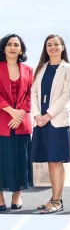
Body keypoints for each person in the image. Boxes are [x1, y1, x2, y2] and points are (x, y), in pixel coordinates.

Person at [30, 35, 70, 214]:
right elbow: (32, 93)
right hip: (41, 121)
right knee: (50, 161)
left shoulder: (68, 69)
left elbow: (66, 95)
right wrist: (37, 115)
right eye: (49, 45)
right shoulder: (41, 68)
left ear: (63, 47)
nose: (53, 47)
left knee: (56, 161)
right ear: (45, 48)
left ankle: (56, 200)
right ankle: (55, 199)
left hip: (57, 121)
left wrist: (47, 115)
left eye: (56, 44)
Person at [0, 34, 33, 211]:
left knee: (21, 157)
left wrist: (19, 113)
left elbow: (30, 94)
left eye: (16, 45)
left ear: (21, 49)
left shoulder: (28, 70)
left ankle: (17, 194)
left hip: (21, 121)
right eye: (9, 44)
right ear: (3, 48)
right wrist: (10, 110)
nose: (13, 47)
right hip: (2, 118)